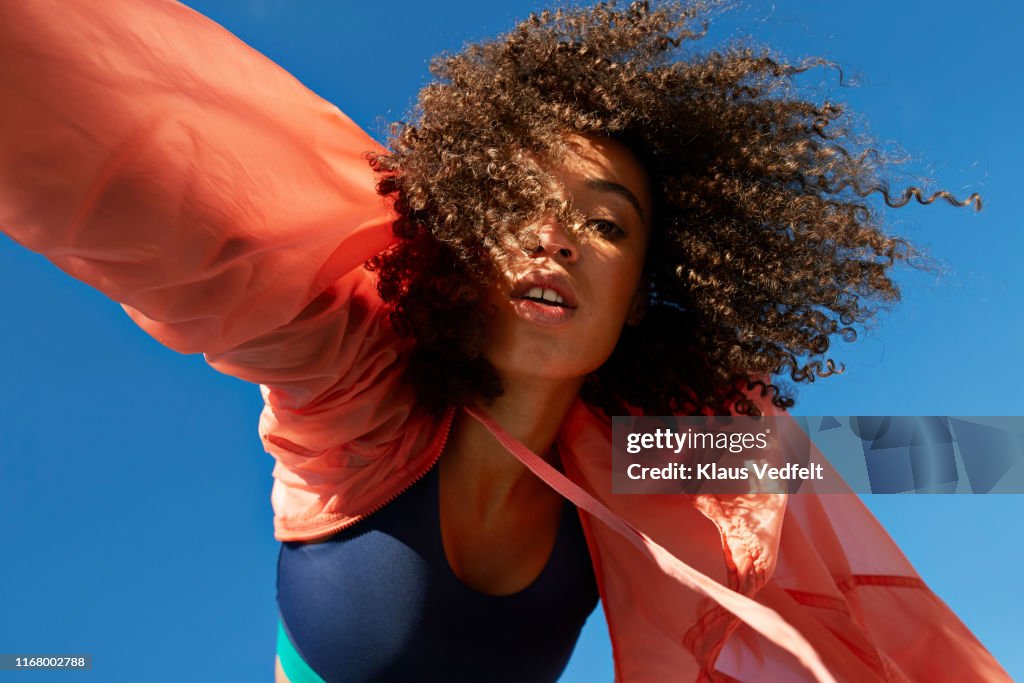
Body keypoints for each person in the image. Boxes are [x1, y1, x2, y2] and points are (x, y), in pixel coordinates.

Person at [0, 1, 1010, 681]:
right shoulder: (353, 389)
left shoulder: (646, 453)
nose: (556, 233)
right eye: (515, 204)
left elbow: (905, 449)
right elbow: (143, 162)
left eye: (607, 224)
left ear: (641, 295)